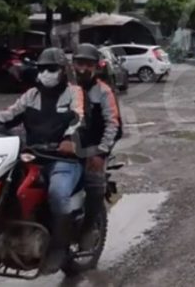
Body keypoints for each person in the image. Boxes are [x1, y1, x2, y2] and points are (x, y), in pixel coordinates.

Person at [0, 48, 85, 274]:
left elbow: (80, 116)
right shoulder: (31, 95)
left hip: (62, 159)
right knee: (3, 186)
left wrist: (70, 138)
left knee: (58, 193)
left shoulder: (74, 93)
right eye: (42, 69)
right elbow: (8, 114)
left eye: (51, 69)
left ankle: (59, 248)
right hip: (31, 156)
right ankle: (4, 234)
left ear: (62, 71)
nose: (46, 73)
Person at [72, 43, 122, 251]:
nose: (82, 68)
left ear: (96, 66)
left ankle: (88, 229)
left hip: (94, 150)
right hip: (64, 149)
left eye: (87, 64)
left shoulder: (104, 91)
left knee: (93, 185)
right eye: (79, 63)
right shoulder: (66, 89)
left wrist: (101, 152)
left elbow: (114, 125)